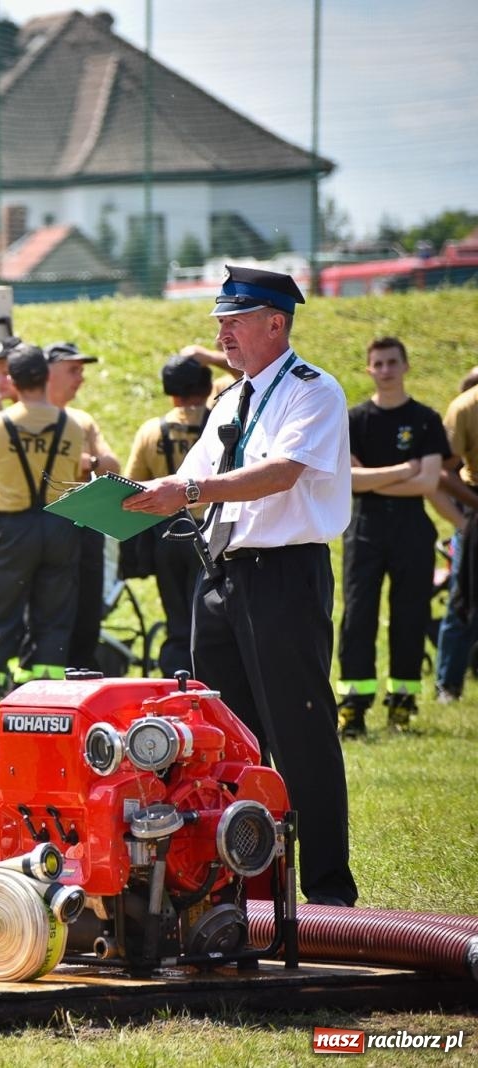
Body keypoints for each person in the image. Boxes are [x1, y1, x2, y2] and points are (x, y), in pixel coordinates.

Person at [123, 265, 358, 908]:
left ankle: (328, 894)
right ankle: (235, 889)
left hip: (284, 575)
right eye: (220, 323)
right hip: (221, 574)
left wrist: (187, 490)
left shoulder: (314, 390)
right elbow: (190, 477)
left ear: (275, 323)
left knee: (299, 733)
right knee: (225, 742)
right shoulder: (229, 400)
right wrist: (120, 499)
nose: (221, 335)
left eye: (235, 321)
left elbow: (280, 473)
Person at [0, 344, 88, 742]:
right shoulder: (71, 425)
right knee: (52, 621)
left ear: (11, 381)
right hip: (60, 525)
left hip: (12, 529)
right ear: (45, 377)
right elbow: (73, 471)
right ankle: (43, 718)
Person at [335, 337, 447, 736]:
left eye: (392, 362)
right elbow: (350, 480)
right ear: (369, 369)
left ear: (406, 366)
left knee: (410, 615)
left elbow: (428, 482)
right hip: (364, 528)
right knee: (358, 616)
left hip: (412, 529)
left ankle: (402, 702)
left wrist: (373, 479)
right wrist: (403, 470)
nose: (385, 370)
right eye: (378, 363)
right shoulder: (354, 420)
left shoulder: (425, 419)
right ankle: (353, 707)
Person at [123, 355, 215, 678]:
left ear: (170, 393)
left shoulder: (152, 432)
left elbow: (132, 484)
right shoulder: (221, 424)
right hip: (212, 534)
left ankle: (176, 683)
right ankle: (209, 683)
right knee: (210, 618)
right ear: (207, 388)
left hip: (168, 537)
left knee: (177, 620)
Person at [44, 341, 121, 672]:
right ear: (48, 372)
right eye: (73, 370)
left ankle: (82, 675)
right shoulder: (29, 416)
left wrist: (85, 462)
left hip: (84, 525)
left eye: (82, 371)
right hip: (44, 527)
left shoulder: (81, 420)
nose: (81, 378)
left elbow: (112, 466)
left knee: (87, 614)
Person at [435, 379, 478, 701]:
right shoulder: (465, 407)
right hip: (475, 502)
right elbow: (442, 470)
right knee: (464, 594)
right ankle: (448, 685)